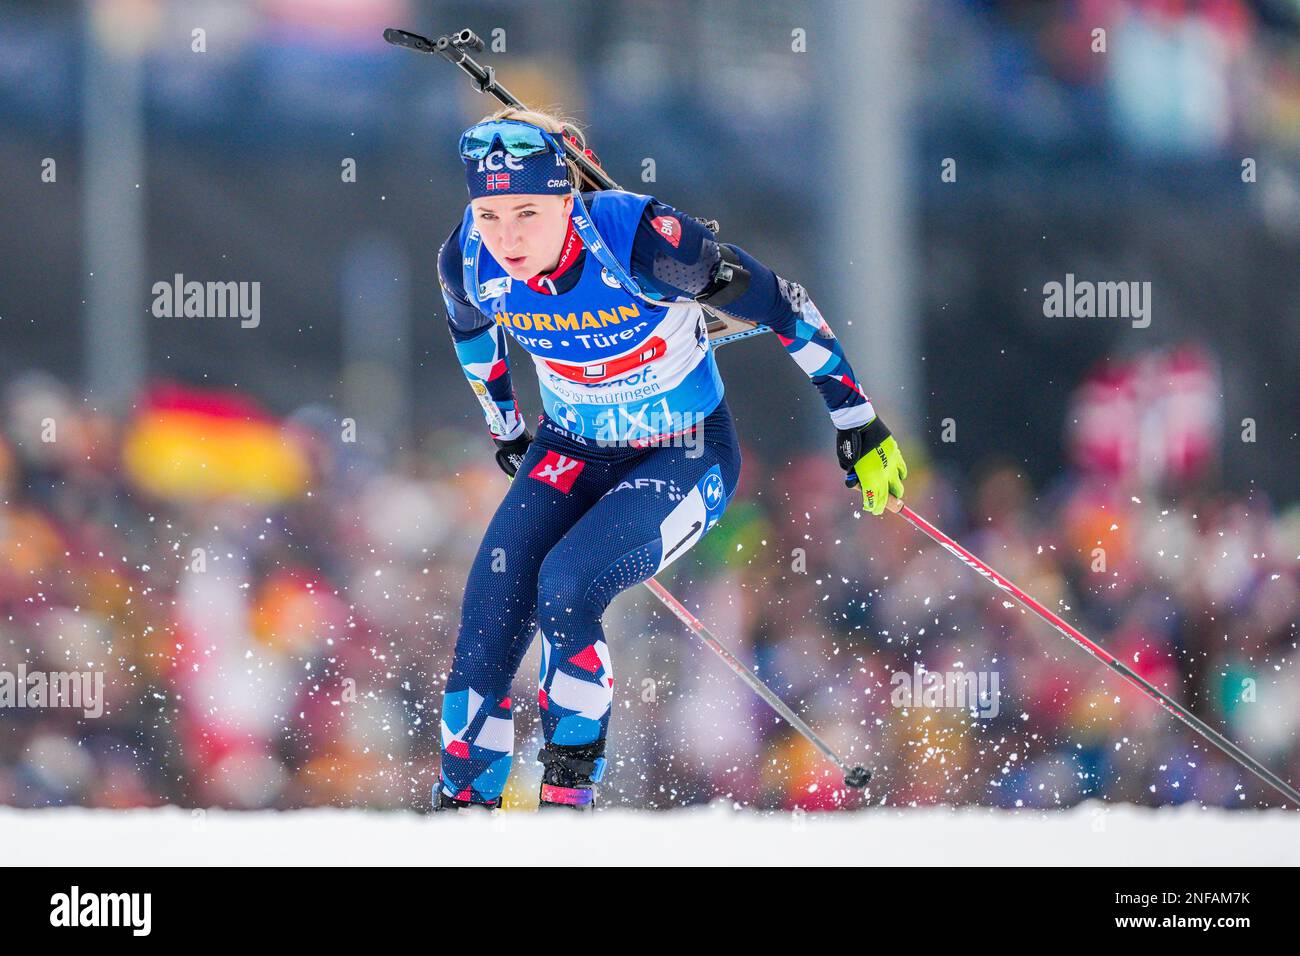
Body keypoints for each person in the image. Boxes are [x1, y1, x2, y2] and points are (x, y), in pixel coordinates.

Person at [433, 107, 907, 811]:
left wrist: (858, 419)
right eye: (491, 213)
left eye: (527, 212)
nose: (506, 236)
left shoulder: (643, 241)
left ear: (567, 196)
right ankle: (463, 816)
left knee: (566, 585)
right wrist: (506, 430)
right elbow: (473, 337)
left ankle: (565, 807)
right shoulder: (467, 255)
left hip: (682, 452)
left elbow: (786, 306)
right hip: (571, 451)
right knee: (487, 622)